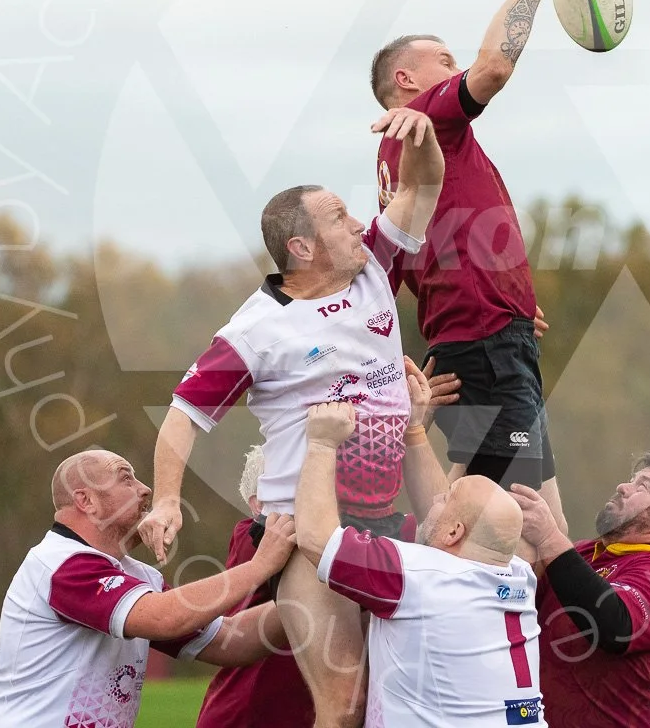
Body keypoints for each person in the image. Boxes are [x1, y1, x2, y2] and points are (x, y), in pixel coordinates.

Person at [138, 107, 446, 727]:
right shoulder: (258, 328)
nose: (360, 223)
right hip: (310, 533)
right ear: (302, 248)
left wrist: (427, 135)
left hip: (387, 522)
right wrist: (167, 500)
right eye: (340, 217)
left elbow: (426, 185)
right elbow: (183, 414)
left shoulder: (373, 266)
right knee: (344, 704)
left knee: (392, 700)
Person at [368, 0, 584, 535]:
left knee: (535, 518)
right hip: (486, 347)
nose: (454, 65)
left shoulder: (402, 157)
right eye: (443, 58)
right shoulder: (428, 117)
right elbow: (495, 67)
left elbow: (414, 264)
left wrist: (503, 298)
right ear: (407, 79)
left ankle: (557, 624)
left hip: (490, 337)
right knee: (500, 528)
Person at [196, 363, 458, 728]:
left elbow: (448, 527)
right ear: (262, 503)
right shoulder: (264, 535)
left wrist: (410, 427)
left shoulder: (371, 535)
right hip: (252, 717)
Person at [0, 450, 296, 727]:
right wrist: (259, 566)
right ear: (85, 500)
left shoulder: (137, 576)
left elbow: (229, 641)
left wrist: (309, 604)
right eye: (126, 478)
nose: (145, 490)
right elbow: (164, 618)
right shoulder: (63, 563)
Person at [295, 401, 547, 728]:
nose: (435, 500)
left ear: (456, 531)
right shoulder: (518, 575)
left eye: (446, 498)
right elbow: (466, 529)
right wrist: (413, 428)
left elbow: (316, 538)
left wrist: (322, 442)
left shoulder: (415, 575)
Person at [511, 450, 650, 728]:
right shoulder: (587, 554)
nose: (623, 486)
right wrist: (531, 423)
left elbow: (614, 625)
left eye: (643, 485)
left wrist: (549, 537)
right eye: (631, 479)